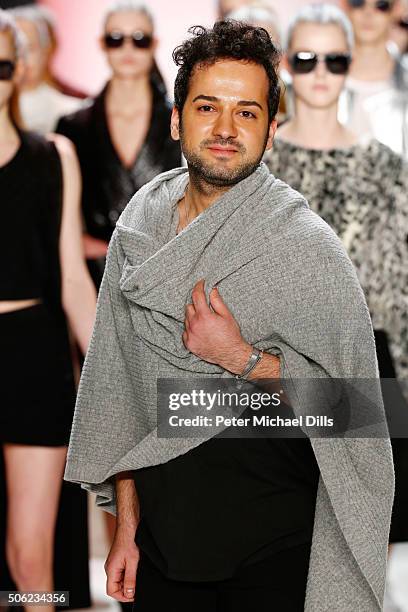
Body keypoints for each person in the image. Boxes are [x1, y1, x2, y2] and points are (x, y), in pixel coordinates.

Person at [64, 19, 394, 612]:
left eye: (246, 113)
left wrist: (239, 358)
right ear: (176, 118)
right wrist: (126, 526)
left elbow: (357, 413)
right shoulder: (139, 226)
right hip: (162, 547)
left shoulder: (307, 248)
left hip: (273, 550)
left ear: (271, 132)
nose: (223, 129)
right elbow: (121, 393)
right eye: (207, 106)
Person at [263, 5, 408, 609]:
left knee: (361, 544)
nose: (321, 72)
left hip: (366, 359)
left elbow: (398, 287)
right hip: (274, 359)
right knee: (280, 534)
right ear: (285, 68)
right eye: (305, 59)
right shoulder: (258, 168)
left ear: (351, 66)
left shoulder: (389, 168)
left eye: (336, 59)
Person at [0, 9, 96, 609]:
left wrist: (109, 375)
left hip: (33, 356)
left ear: (18, 72)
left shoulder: (55, 156)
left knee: (31, 555)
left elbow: (71, 278)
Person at [57, 0, 181, 288]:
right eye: (116, 39)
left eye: (139, 39)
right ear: (102, 44)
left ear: (154, 44)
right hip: (94, 280)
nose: (127, 49)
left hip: (166, 278)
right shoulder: (73, 127)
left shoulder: (183, 120)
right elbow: (58, 218)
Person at [339, 0, 408, 158]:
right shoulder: (321, 79)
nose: (368, 13)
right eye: (358, 3)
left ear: (396, 9)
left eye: (381, 5)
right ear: (344, 5)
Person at [7, 4, 83, 133]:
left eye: (29, 49)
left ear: (47, 49)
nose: (21, 59)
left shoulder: (72, 111)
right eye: (15, 50)